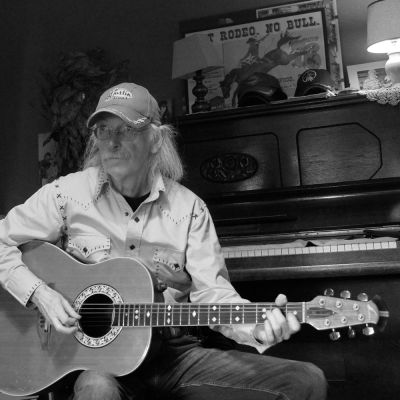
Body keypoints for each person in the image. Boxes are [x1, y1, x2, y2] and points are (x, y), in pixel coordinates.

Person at [0, 82, 327, 400]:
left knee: (305, 380)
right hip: (97, 364)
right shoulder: (65, 194)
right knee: (98, 391)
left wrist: (255, 327)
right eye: (103, 130)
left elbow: (214, 295)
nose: (111, 142)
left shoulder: (190, 209)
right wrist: (39, 293)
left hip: (173, 355)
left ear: (156, 139)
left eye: (125, 130)